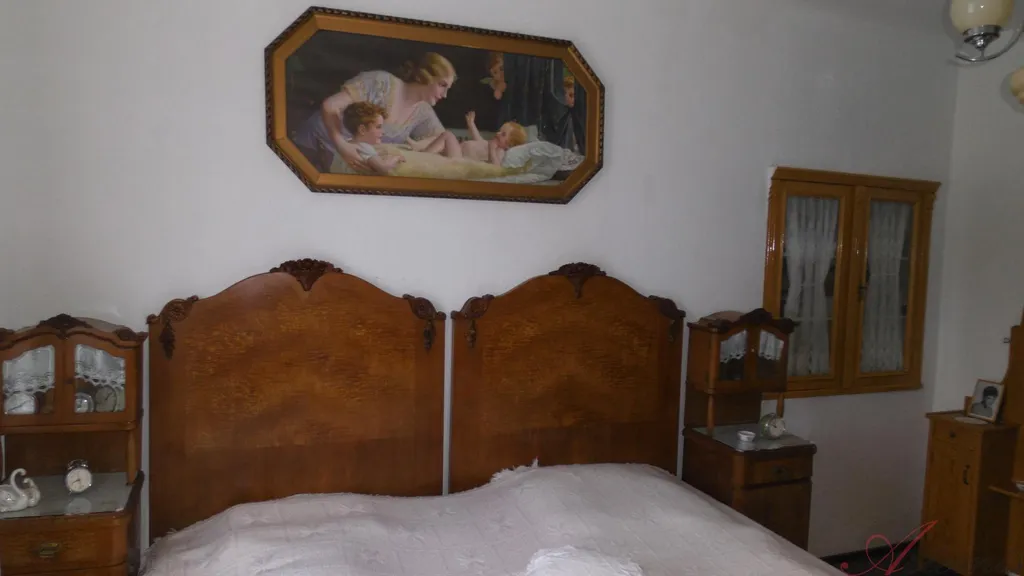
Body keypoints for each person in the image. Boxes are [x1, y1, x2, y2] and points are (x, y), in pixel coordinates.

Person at [293, 52, 456, 173]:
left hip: (349, 163)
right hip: (315, 145)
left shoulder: (424, 111)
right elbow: (330, 106)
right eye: (442, 85)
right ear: (425, 76)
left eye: (448, 88)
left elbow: (443, 139)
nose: (445, 95)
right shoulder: (381, 83)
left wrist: (417, 149)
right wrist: (342, 145)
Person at [408, 111, 527, 165]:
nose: (498, 133)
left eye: (503, 134)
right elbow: (477, 139)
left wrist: (491, 149)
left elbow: (495, 167)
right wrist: (471, 124)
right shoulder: (489, 143)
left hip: (459, 158)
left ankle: (424, 155)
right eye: (500, 130)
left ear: (508, 145)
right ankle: (417, 145)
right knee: (438, 137)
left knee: (448, 135)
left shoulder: (499, 151)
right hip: (457, 151)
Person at [333, 102, 405, 175]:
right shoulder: (365, 147)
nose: (383, 132)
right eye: (378, 127)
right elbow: (383, 168)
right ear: (362, 130)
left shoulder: (347, 143)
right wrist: (396, 158)